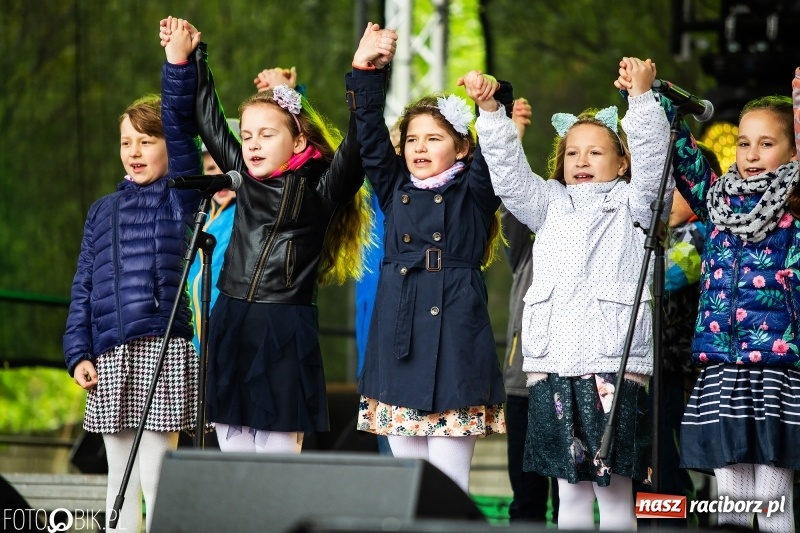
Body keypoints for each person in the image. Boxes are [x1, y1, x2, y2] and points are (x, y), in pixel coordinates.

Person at [158, 16, 378, 454]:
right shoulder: (243, 174)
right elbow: (207, 118)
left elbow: (359, 143)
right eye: (247, 135)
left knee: (275, 461)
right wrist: (193, 56)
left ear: (298, 142)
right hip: (231, 321)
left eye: (266, 134)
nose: (252, 144)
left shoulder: (322, 187)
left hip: (284, 325)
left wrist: (366, 74)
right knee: (233, 453)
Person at [472, 57, 671, 530]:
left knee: (617, 491)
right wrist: (491, 115)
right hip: (553, 365)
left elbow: (656, 164)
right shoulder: (548, 202)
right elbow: (509, 177)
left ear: (622, 161)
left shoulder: (634, 201)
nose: (581, 161)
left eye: (596, 152)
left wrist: (641, 101)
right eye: (572, 153)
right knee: (570, 493)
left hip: (612, 365)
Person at [349, 24, 507, 494]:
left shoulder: (475, 190)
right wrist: (365, 73)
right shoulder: (394, 186)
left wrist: (491, 104)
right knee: (407, 483)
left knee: (448, 484)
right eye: (413, 139)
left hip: (457, 332)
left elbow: (496, 149)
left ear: (461, 147)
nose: (419, 147)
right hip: (400, 332)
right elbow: (370, 137)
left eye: (434, 139)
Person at [63, 29, 203, 531]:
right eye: (127, 142)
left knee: (158, 474)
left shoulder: (180, 198)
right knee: (117, 476)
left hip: (161, 349)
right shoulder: (102, 210)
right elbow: (84, 284)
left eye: (148, 141)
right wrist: (78, 351)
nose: (135, 151)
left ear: (169, 148)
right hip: (109, 356)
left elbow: (185, 135)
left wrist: (176, 64)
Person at [664, 70, 800, 532]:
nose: (752, 154)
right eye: (744, 143)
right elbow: (685, 160)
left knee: (771, 494)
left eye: (767, 143)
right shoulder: (717, 201)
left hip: (777, 367)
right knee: (731, 493)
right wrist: (652, 101)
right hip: (723, 364)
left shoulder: (796, 204)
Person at [501, 97, 560, 524]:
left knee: (571, 494)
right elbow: (512, 192)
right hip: (524, 382)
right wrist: (512, 135)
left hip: (580, 381)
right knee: (526, 498)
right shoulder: (530, 240)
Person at [186, 118, 240, 355]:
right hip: (195, 339)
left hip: (232, 333)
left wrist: (290, 95)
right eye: (210, 170)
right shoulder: (200, 213)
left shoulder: (249, 210)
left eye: (226, 168)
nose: (220, 178)